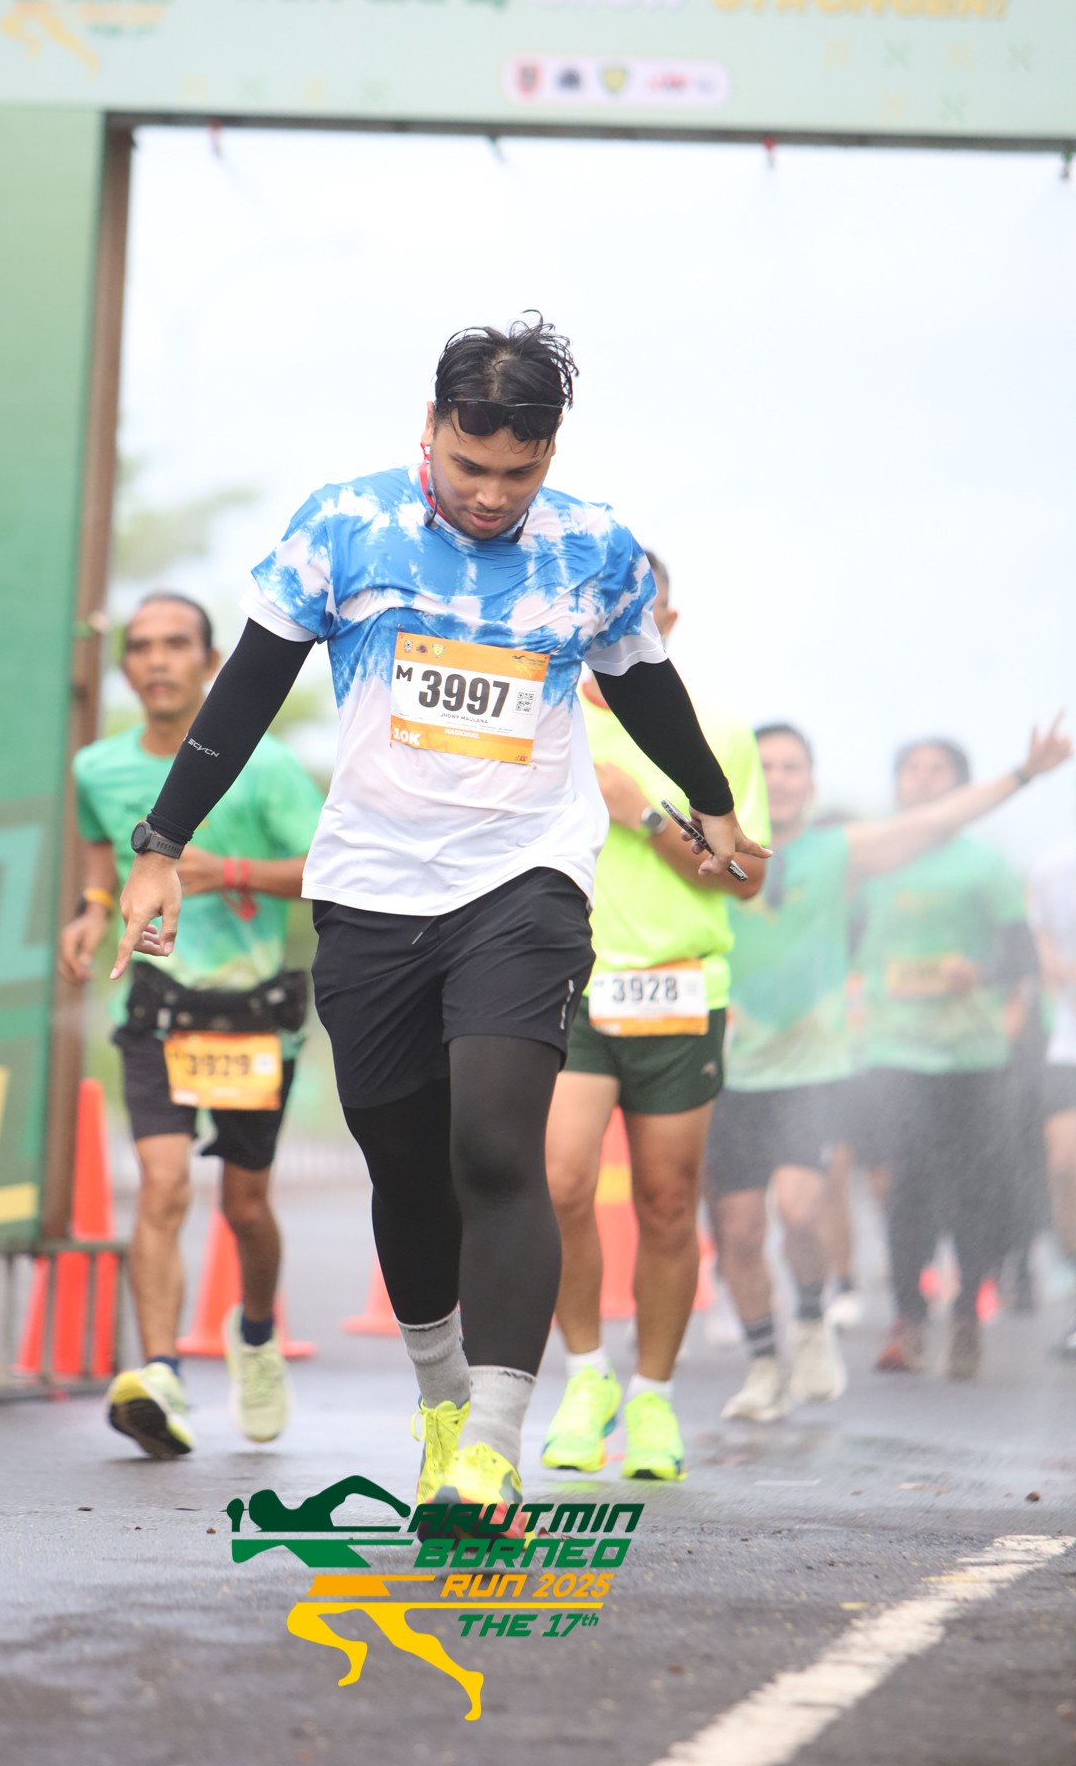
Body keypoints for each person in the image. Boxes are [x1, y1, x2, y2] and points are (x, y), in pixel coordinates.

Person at [109, 316, 769, 1524]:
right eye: (470, 466)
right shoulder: (344, 528)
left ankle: (493, 1448)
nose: (491, 494)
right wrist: (159, 846)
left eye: (519, 471)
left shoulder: (591, 550)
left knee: (497, 1150)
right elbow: (247, 685)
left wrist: (712, 804)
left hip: (522, 880)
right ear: (429, 428)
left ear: (550, 452)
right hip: (368, 888)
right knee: (406, 1167)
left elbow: (640, 681)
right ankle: (443, 1409)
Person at [713, 718, 1070, 1419]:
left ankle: (887, 1314)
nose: (778, 778)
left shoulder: (861, 854)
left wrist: (1024, 774)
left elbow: (947, 838)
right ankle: (827, 1344)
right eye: (766, 766)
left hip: (887, 1061)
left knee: (848, 1206)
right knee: (790, 1218)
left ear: (812, 782)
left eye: (792, 766)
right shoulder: (713, 848)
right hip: (804, 1060)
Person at [58, 592, 323, 1457]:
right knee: (163, 1186)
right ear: (126, 668)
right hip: (157, 1008)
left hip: (250, 1015)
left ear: (210, 662)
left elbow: (328, 868)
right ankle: (161, 1374)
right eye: (141, 647)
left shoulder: (268, 766)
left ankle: (256, 1336)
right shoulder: (98, 767)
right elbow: (101, 846)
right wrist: (93, 907)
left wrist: (229, 870)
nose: (158, 660)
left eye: (177, 644)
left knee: (245, 1206)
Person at [540, 552, 768, 1481]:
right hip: (565, 984)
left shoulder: (717, 732)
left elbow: (746, 878)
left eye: (634, 609)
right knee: (559, 1183)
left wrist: (644, 815)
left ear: (664, 623)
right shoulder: (543, 719)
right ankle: (586, 1378)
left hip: (678, 990)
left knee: (668, 1203)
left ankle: (653, 1397)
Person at [857, 737, 1057, 1380]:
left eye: (937, 770)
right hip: (892, 1049)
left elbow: (1022, 957)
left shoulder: (984, 865)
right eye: (911, 770)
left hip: (972, 1053)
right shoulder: (873, 859)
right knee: (907, 1186)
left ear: (963, 787)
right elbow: (841, 943)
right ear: (897, 784)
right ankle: (909, 1319)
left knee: (972, 1187)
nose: (922, 781)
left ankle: (968, 1311)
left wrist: (980, 972)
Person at [1029, 830, 1076, 1359]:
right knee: (1065, 1163)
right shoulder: (1056, 866)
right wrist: (1053, 965)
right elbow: (1040, 938)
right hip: (1069, 1042)